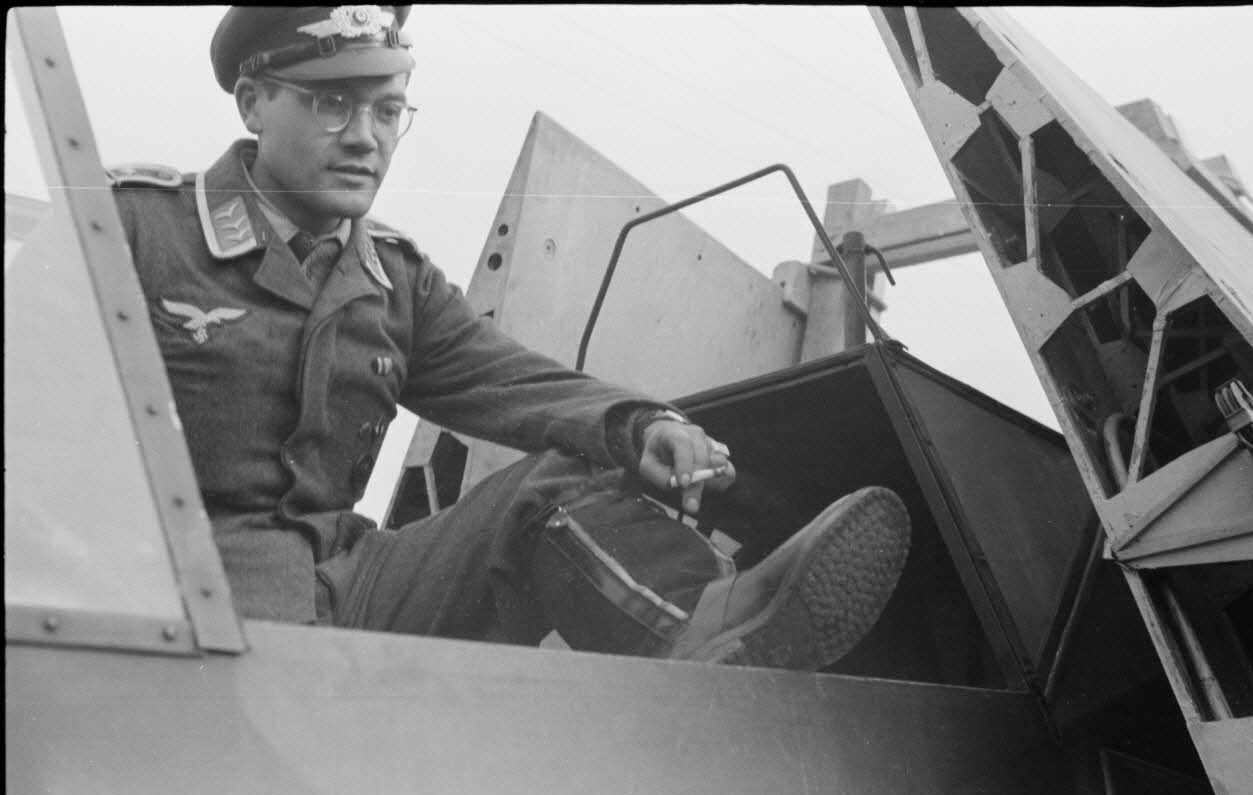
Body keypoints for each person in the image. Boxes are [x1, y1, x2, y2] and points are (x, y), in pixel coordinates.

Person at [109, 5, 910, 669]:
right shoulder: (136, 229)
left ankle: (710, 632)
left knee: (563, 473)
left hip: (345, 591)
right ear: (253, 103)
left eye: (387, 111)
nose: (364, 137)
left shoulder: (394, 279)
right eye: (331, 103)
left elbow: (519, 384)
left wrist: (641, 425)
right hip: (181, 593)